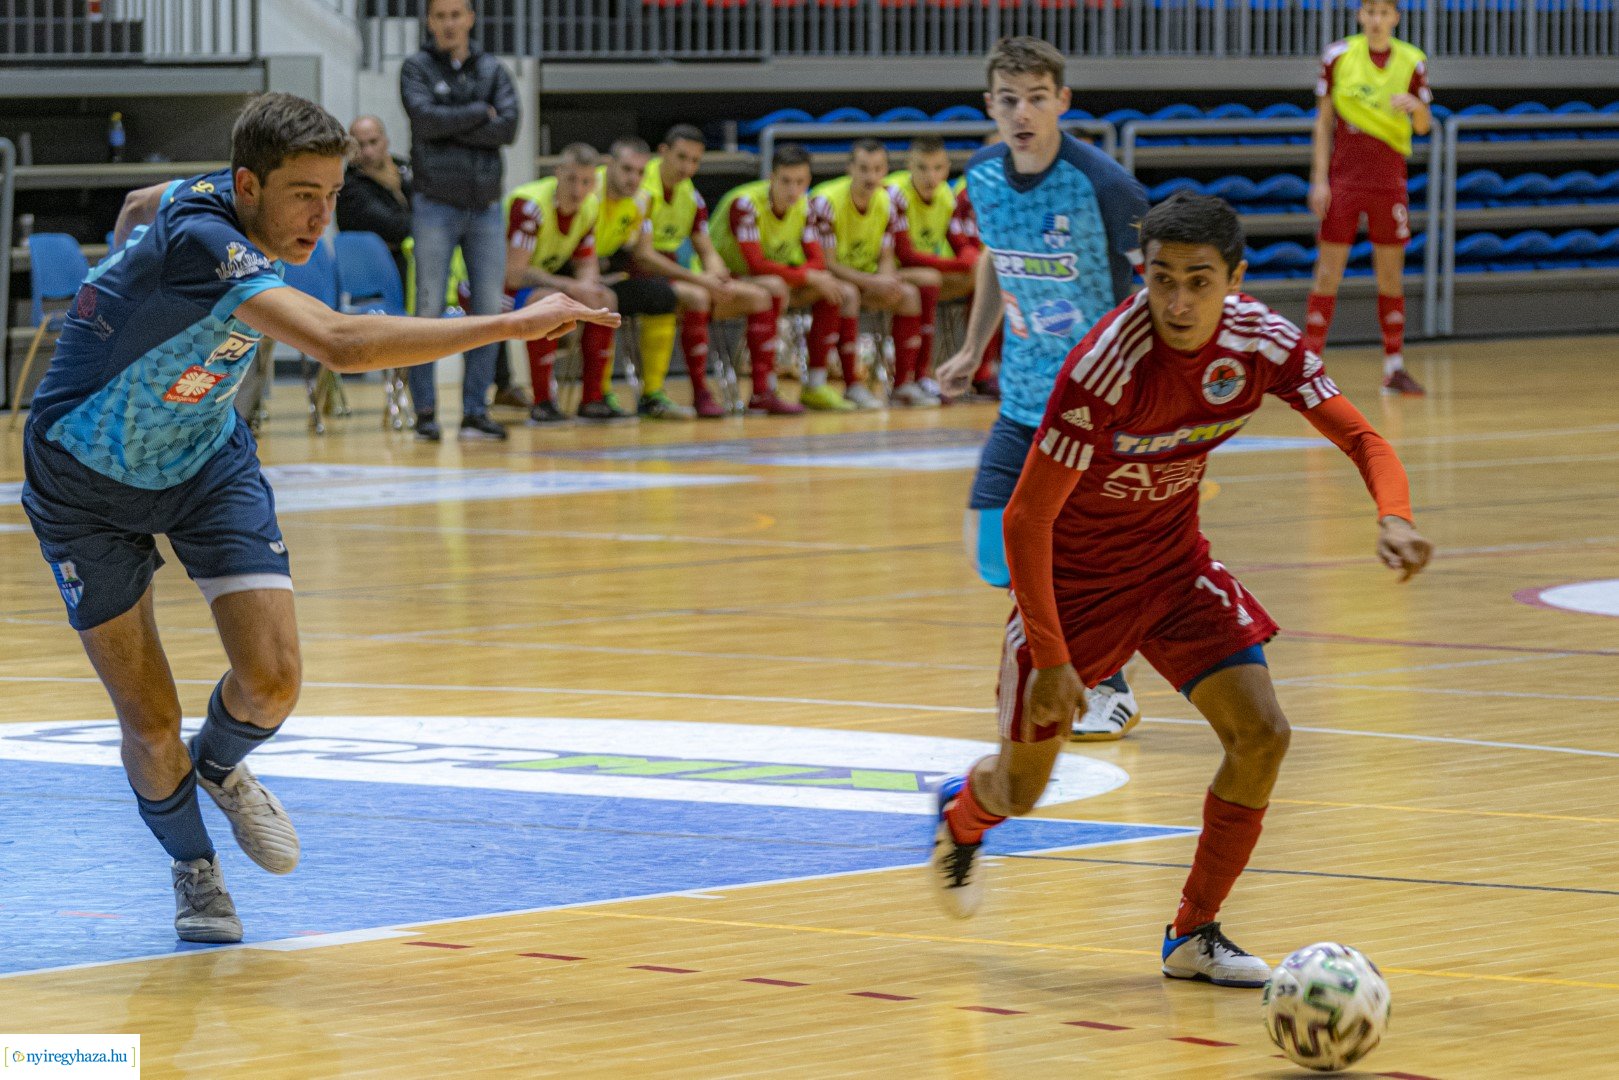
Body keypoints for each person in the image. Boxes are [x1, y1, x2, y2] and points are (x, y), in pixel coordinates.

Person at [18, 93, 615, 945]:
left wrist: (121, 275)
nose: (320, 216)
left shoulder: (205, 199)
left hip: (200, 458)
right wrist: (516, 321)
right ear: (248, 184)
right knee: (151, 727)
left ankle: (220, 770)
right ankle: (195, 870)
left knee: (273, 680)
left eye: (333, 193)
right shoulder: (205, 243)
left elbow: (137, 206)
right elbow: (340, 343)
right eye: (303, 194)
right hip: (84, 479)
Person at [927, 191, 1433, 986]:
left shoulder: (1260, 343)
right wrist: (1056, 659)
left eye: (1198, 280)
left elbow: (1362, 437)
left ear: (1234, 278)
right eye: (1160, 279)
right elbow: (1025, 520)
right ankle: (962, 812)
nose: (1176, 301)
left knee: (1262, 734)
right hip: (1075, 587)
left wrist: (1394, 515)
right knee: (1020, 791)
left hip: (1172, 566)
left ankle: (1192, 934)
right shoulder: (1106, 364)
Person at [936, 37, 1150, 741]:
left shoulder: (1105, 188)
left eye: (1035, 97)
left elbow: (1158, 284)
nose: (1021, 113)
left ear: (1062, 100)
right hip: (1021, 396)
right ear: (988, 106)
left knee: (1072, 553)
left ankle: (1106, 683)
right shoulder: (983, 175)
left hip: (1094, 404)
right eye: (1007, 99)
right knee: (991, 549)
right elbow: (995, 262)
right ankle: (1078, 662)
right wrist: (972, 345)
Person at [400, 0, 520, 441]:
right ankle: (426, 411)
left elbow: (508, 129)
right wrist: (478, 114)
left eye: (457, 14)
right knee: (428, 308)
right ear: (430, 22)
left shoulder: (493, 69)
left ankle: (475, 410)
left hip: (486, 206)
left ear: (471, 18)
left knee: (489, 310)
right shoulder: (415, 68)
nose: (449, 23)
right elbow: (425, 120)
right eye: (440, 16)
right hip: (434, 204)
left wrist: (453, 121)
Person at [1304, 0, 1434, 396]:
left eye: (1384, 13)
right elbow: (1324, 122)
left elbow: (1425, 127)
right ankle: (1309, 367)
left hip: (1389, 179)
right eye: (1370, 12)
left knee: (1390, 275)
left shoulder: (1413, 61)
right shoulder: (1339, 55)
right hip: (1344, 178)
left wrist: (1417, 107)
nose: (1377, 20)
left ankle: (1394, 367)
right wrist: (1319, 179)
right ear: (1360, 15)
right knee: (1328, 272)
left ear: (1396, 17)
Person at [641, 124, 785, 420]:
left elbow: (706, 249)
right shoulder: (642, 188)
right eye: (681, 158)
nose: (688, 167)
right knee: (698, 296)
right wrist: (702, 280)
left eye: (695, 161)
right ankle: (699, 393)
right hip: (641, 272)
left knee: (760, 296)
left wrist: (719, 277)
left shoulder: (690, 196)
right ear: (663, 152)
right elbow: (643, 257)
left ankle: (761, 392)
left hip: (680, 276)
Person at [711, 143, 857, 415]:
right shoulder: (745, 204)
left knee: (835, 289)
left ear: (809, 181)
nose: (793, 189)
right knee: (776, 287)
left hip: (771, 278)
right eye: (786, 181)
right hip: (723, 277)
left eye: (800, 182)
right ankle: (762, 390)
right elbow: (755, 265)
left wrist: (811, 276)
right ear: (771, 178)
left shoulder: (804, 205)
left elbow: (817, 261)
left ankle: (816, 385)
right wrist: (807, 275)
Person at [503, 144, 619, 421]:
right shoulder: (530, 206)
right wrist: (571, 287)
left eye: (586, 182)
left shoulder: (590, 205)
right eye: (571, 180)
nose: (578, 190)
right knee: (547, 303)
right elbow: (514, 274)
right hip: (490, 285)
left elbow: (586, 263)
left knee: (604, 299)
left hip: (541, 283)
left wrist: (589, 288)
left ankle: (593, 399)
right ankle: (542, 402)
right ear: (558, 173)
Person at [806, 139, 916, 411]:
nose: (871, 176)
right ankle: (846, 384)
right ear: (850, 169)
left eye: (878, 169)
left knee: (909, 295)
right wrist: (873, 281)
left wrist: (887, 280)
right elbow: (827, 264)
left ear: (886, 170)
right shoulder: (826, 201)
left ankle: (903, 385)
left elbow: (887, 256)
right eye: (864, 169)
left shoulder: (887, 200)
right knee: (848, 294)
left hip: (863, 277)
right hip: (823, 276)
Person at [886, 135, 982, 405]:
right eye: (923, 168)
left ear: (948, 167)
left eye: (938, 168)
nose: (931, 176)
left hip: (921, 274)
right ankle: (911, 378)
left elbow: (958, 240)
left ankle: (983, 372)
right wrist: (957, 262)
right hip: (884, 271)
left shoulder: (944, 194)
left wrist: (971, 256)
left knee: (983, 275)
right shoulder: (895, 193)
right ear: (909, 166)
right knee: (930, 280)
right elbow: (904, 255)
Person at [337, 115, 413, 284]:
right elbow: (396, 227)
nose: (368, 152)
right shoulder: (348, 186)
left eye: (373, 142)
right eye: (360, 145)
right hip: (373, 275)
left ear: (385, 141)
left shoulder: (401, 167)